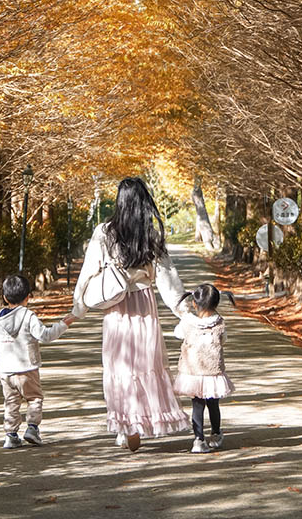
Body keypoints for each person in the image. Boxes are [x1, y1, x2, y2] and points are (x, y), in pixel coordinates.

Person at [72, 176, 190, 451]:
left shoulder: (104, 232)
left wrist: (78, 306)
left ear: (120, 201)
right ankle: (143, 422)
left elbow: (89, 270)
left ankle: (125, 426)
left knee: (119, 368)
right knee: (146, 366)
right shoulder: (152, 234)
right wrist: (184, 311)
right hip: (145, 307)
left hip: (116, 309)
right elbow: (168, 279)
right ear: (144, 202)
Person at [0, 272, 75, 449]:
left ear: (5, 297)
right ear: (28, 297)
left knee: (11, 402)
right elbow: (45, 336)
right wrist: (64, 323)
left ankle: (11, 435)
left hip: (6, 371)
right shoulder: (29, 316)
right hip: (27, 368)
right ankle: (32, 428)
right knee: (34, 398)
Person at [173, 282, 234, 453]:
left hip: (192, 373)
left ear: (194, 303)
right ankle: (216, 434)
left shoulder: (187, 322)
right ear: (216, 303)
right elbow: (224, 340)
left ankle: (198, 440)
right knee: (213, 406)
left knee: (197, 406)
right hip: (212, 373)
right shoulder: (220, 323)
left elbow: (177, 334)